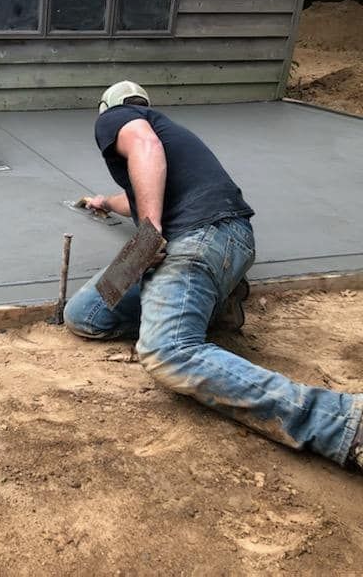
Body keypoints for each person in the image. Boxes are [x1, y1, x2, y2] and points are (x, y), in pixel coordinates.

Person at [64, 80, 363, 472]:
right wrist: (105, 202)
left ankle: (342, 421)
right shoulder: (166, 139)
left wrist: (148, 233)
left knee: (168, 350)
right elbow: (139, 186)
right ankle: (216, 298)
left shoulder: (119, 118)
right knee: (84, 315)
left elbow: (144, 148)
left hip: (196, 236)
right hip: (227, 238)